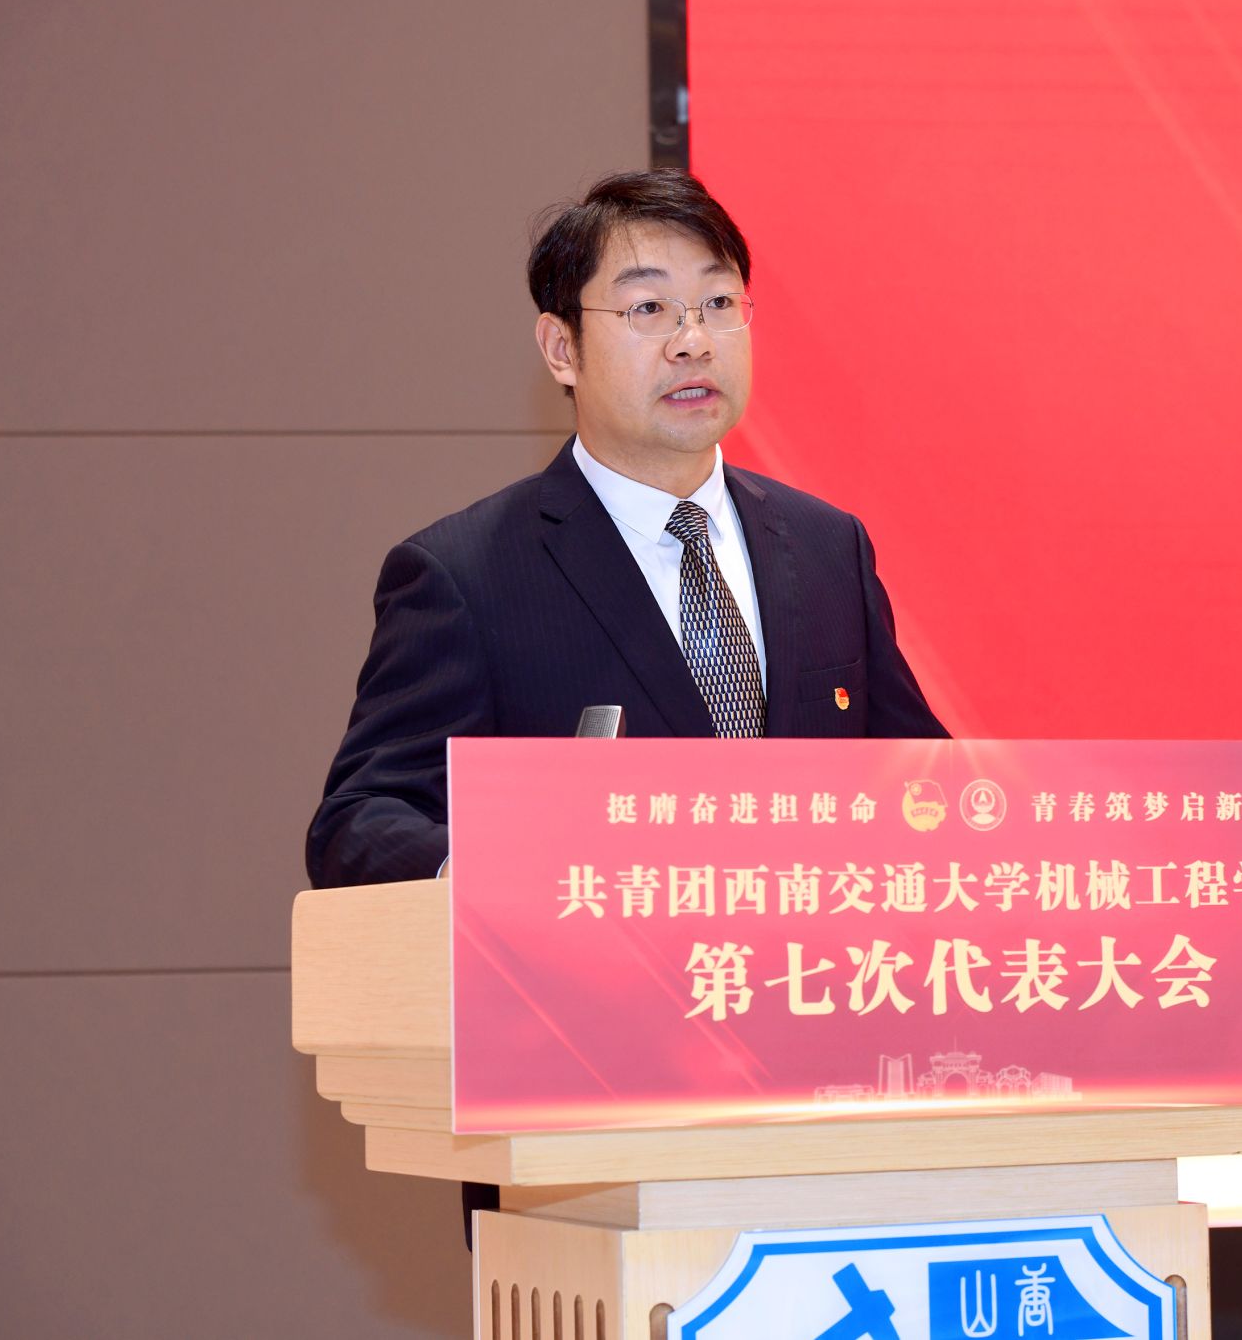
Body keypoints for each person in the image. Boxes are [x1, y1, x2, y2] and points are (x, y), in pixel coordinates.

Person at [306, 169, 947, 891]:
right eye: (648, 308)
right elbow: (359, 824)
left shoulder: (828, 545)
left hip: (802, 956)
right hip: (589, 959)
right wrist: (515, 881)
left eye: (718, 303)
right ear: (562, 348)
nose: (693, 341)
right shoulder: (465, 575)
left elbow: (920, 783)